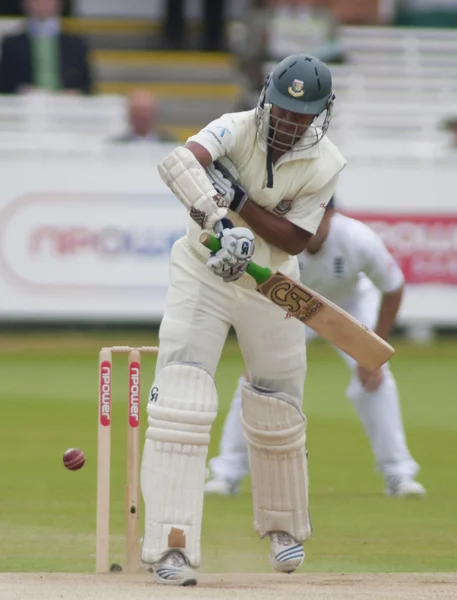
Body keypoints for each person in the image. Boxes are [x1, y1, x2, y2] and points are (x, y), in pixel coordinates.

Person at [140, 53, 346, 586]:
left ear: (319, 116)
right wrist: (216, 220)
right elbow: (180, 162)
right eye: (282, 109)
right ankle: (171, 547)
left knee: (278, 403)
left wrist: (241, 203)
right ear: (266, 100)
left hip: (271, 282)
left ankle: (283, 528)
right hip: (204, 269)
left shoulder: (327, 163)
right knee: (182, 397)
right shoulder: (234, 127)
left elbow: (296, 239)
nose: (288, 121)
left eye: (302, 115)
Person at [205, 198, 426, 499]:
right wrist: (259, 346)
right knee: (255, 378)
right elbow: (255, 296)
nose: (309, 224)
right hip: (294, 306)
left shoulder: (358, 239)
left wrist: (373, 353)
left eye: (317, 216)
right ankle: (226, 473)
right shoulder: (274, 241)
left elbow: (393, 288)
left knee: (377, 377)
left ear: (332, 214)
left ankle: (398, 474)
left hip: (349, 303)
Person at [0, 0, 92, 95]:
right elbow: (4, 85)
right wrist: (21, 90)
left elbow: (87, 86)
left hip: (66, 104)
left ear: (59, 4)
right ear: (25, 4)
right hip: (25, 104)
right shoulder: (12, 44)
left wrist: (75, 93)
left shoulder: (75, 44)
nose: (42, 4)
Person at [111, 89, 177, 144]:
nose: (142, 119)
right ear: (130, 116)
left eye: (146, 115)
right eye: (138, 115)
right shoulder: (116, 145)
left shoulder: (169, 143)